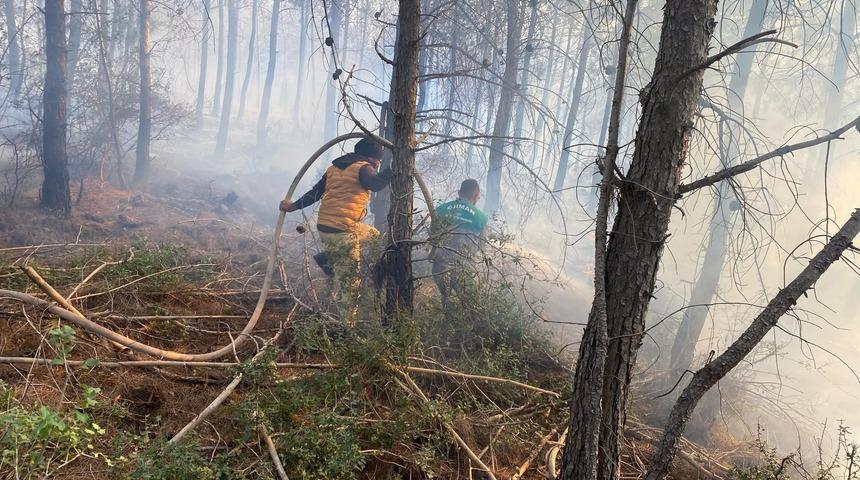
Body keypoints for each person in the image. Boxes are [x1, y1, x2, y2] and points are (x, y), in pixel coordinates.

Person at [280, 137, 389, 324]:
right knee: (351, 283)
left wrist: (293, 206)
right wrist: (395, 171)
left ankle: (328, 258)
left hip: (327, 227)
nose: (378, 165)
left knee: (375, 236)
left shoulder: (334, 168)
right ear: (372, 158)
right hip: (343, 231)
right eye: (378, 161)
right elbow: (376, 184)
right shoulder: (364, 168)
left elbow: (315, 193)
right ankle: (348, 327)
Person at [431, 179, 488, 306]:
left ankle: (444, 317)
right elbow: (481, 245)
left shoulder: (441, 209)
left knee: (446, 299)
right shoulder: (481, 218)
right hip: (464, 268)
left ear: (459, 192)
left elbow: (432, 235)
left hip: (440, 266)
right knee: (470, 307)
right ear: (475, 196)